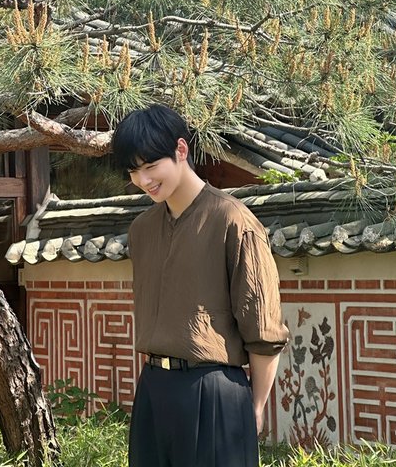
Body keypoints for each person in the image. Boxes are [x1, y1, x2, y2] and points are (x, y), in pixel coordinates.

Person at [112, 104, 289, 467]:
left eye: (150, 166)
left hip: (215, 392)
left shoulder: (233, 220)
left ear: (181, 149)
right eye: (133, 171)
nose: (143, 180)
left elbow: (263, 329)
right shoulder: (142, 230)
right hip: (153, 392)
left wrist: (254, 408)